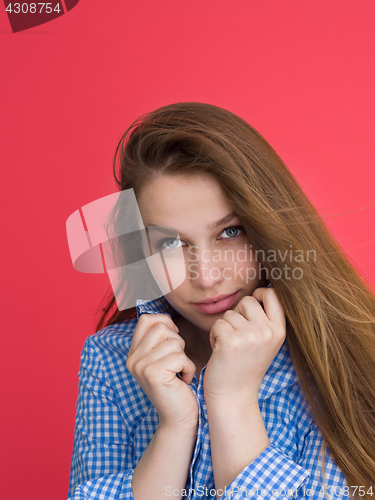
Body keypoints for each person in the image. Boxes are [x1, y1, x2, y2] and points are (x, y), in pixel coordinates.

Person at [67, 102, 375, 500]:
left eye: (230, 232)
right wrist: (175, 428)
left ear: (267, 225)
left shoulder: (346, 353)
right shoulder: (111, 360)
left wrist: (232, 400)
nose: (207, 276)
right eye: (171, 243)